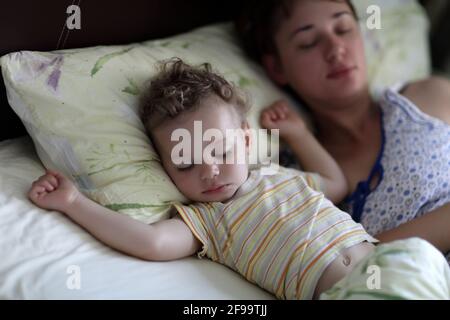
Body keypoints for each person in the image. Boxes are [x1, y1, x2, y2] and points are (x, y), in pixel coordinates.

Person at [28, 59, 450, 300]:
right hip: (341, 293)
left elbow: (334, 184)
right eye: (186, 164)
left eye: (221, 152)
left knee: (426, 258)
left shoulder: (277, 174)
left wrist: (299, 135)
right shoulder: (208, 222)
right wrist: (74, 203)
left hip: (396, 261)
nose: (209, 171)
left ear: (246, 139)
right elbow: (151, 243)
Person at [236, 0, 450, 262]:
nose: (335, 48)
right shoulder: (306, 179)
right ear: (277, 67)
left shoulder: (432, 97)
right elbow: (346, 265)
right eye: (309, 42)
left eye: (343, 28)